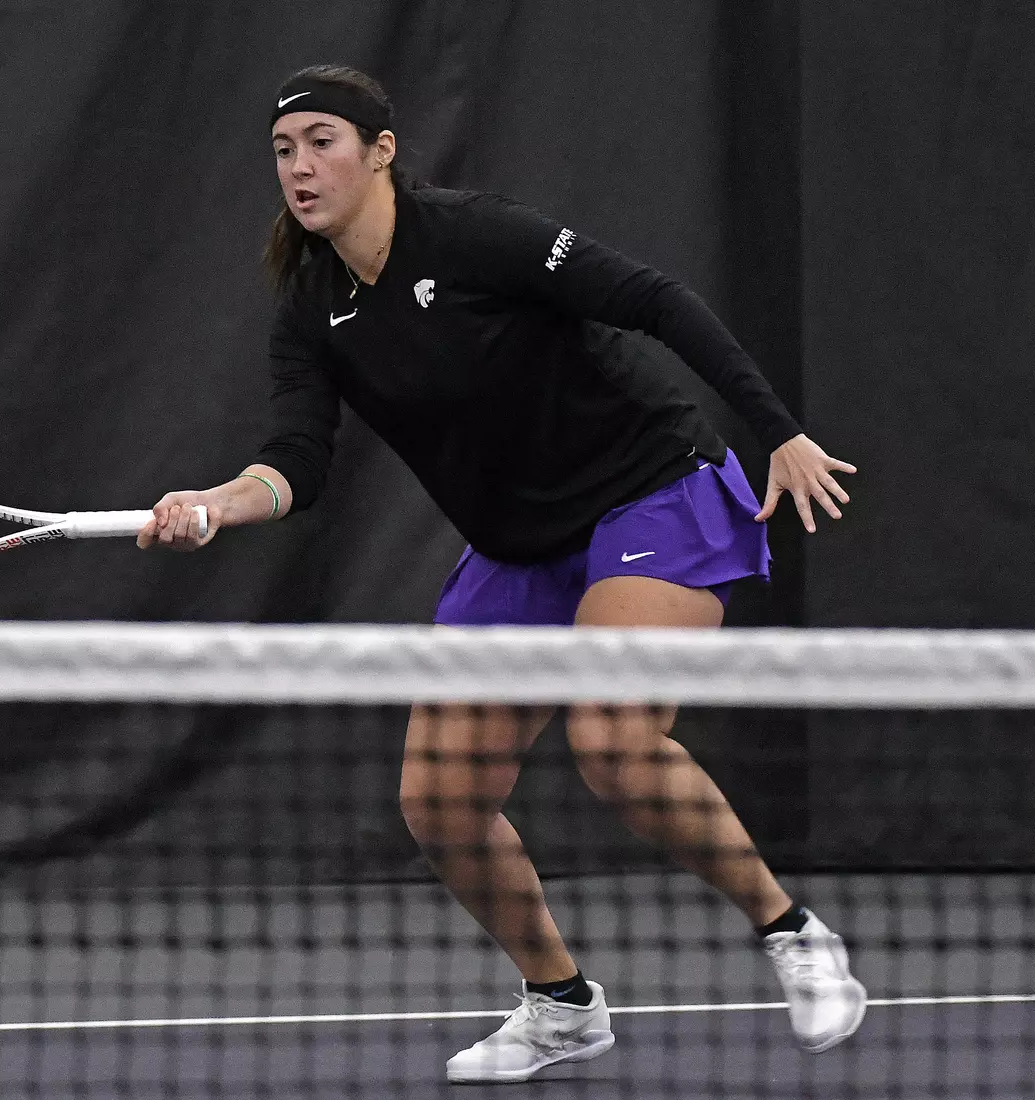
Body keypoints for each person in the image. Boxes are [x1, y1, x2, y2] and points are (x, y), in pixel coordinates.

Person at [138, 64, 866, 1083]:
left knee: (613, 738)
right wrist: (219, 502)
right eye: (283, 149)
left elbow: (649, 298)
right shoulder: (309, 304)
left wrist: (780, 430)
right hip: (523, 540)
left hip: (651, 488)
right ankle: (561, 1003)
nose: (299, 167)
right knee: (439, 798)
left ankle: (794, 933)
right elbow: (295, 463)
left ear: (380, 150)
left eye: (321, 141)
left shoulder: (477, 236)